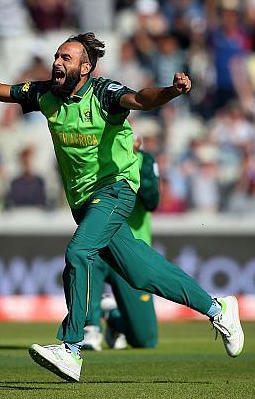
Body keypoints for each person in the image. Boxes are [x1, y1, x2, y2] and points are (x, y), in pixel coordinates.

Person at [0, 32, 244, 382]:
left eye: (66, 58)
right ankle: (218, 308)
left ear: (86, 68)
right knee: (141, 273)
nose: (57, 63)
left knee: (78, 253)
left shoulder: (105, 93)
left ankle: (72, 348)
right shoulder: (44, 93)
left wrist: (170, 91)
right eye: (57, 57)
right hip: (83, 202)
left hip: (116, 189)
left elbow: (141, 100)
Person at [82, 134, 160, 351]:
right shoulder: (94, 156)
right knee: (86, 258)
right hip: (99, 242)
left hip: (132, 247)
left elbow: (152, 200)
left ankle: (114, 316)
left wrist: (130, 161)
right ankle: (90, 327)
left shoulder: (145, 160)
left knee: (145, 340)